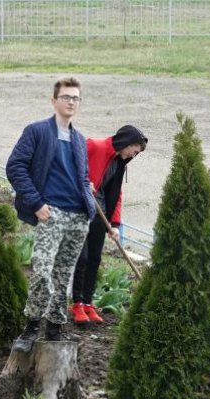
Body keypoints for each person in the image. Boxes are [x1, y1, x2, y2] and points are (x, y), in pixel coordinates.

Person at [6, 77, 96, 353]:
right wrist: (35, 202)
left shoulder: (79, 139)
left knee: (63, 275)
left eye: (75, 98)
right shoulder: (37, 132)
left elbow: (81, 175)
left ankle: (55, 329)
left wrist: (87, 191)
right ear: (54, 101)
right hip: (51, 213)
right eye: (66, 97)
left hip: (78, 217)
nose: (71, 102)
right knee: (42, 270)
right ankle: (31, 327)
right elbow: (15, 166)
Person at [70, 125, 148, 324]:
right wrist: (83, 181)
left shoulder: (120, 163)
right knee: (83, 256)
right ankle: (77, 303)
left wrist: (114, 223)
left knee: (95, 258)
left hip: (100, 213)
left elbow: (117, 193)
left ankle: (88, 302)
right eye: (135, 150)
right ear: (127, 143)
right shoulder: (95, 146)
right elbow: (70, 163)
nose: (134, 154)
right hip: (80, 210)